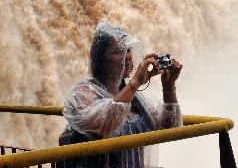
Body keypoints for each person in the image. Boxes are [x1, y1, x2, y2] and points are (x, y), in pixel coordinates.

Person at [57, 19, 183, 168]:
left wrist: (168, 86)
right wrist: (135, 83)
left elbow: (171, 126)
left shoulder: (138, 99)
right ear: (100, 59)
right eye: (117, 51)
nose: (126, 56)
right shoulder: (82, 94)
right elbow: (107, 124)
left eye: (128, 49)